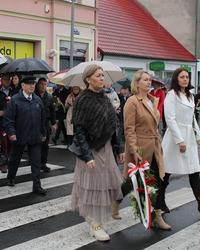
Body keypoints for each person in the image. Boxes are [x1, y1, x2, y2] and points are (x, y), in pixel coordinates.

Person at [70, 64, 123, 241]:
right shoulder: (82, 100)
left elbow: (112, 125)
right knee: (93, 188)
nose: (102, 78)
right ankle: (94, 224)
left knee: (105, 186)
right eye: (98, 75)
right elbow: (79, 131)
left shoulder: (104, 98)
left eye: (102, 75)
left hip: (106, 148)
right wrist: (87, 156)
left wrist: (118, 149)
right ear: (88, 79)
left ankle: (97, 220)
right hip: (92, 150)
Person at [122, 70, 171, 230]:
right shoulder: (132, 101)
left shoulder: (153, 100)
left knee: (157, 179)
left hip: (154, 145)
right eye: (145, 80)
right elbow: (129, 128)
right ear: (136, 83)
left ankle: (157, 216)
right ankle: (115, 201)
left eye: (150, 80)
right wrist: (134, 150)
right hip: (140, 146)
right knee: (134, 181)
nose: (149, 82)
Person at [161, 67, 200, 216]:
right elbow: (170, 119)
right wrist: (179, 140)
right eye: (182, 77)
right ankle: (159, 202)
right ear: (176, 79)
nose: (185, 79)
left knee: (194, 171)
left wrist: (199, 136)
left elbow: (192, 118)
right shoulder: (171, 95)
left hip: (189, 135)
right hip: (175, 137)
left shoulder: (190, 96)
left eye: (187, 77)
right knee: (166, 172)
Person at [3, 76, 47, 195]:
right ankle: (11, 177)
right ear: (23, 86)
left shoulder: (37, 100)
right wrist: (11, 132)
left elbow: (42, 119)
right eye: (29, 84)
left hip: (35, 135)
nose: (32, 86)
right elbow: (9, 119)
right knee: (15, 158)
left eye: (33, 84)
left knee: (36, 161)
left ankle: (37, 185)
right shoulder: (15, 100)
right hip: (20, 135)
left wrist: (43, 133)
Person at [0, 74, 18, 173]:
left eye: (8, 79)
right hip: (1, 122)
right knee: (3, 143)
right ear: (1, 80)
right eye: (4, 79)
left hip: (12, 122)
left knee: (11, 142)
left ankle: (9, 159)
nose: (6, 81)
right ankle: (4, 163)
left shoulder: (15, 92)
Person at [35, 77, 56, 172]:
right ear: (37, 85)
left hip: (46, 122)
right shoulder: (34, 95)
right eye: (41, 84)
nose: (43, 86)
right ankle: (34, 161)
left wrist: (53, 123)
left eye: (45, 84)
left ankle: (43, 163)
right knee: (35, 144)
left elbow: (52, 111)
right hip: (35, 122)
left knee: (45, 144)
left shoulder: (49, 97)